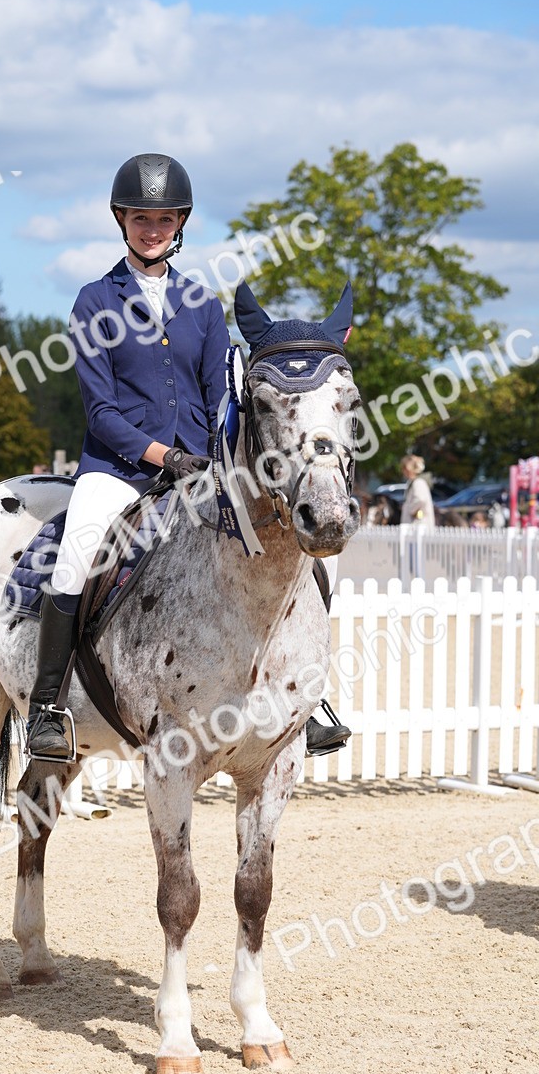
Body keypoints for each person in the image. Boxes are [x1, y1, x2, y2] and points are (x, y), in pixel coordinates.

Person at [26, 152, 348, 761]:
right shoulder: (95, 302)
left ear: (180, 223)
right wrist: (164, 458)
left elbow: (220, 395)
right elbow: (100, 413)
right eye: (142, 218)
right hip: (119, 471)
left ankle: (305, 701)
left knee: (299, 554)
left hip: (203, 471)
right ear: (122, 220)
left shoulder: (202, 304)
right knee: (76, 553)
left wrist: (214, 463)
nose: (153, 229)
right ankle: (48, 709)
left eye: (165, 218)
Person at [400, 455, 435, 526]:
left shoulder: (418, 482)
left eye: (404, 468)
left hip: (418, 526)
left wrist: (410, 510)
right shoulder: (414, 482)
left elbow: (420, 499)